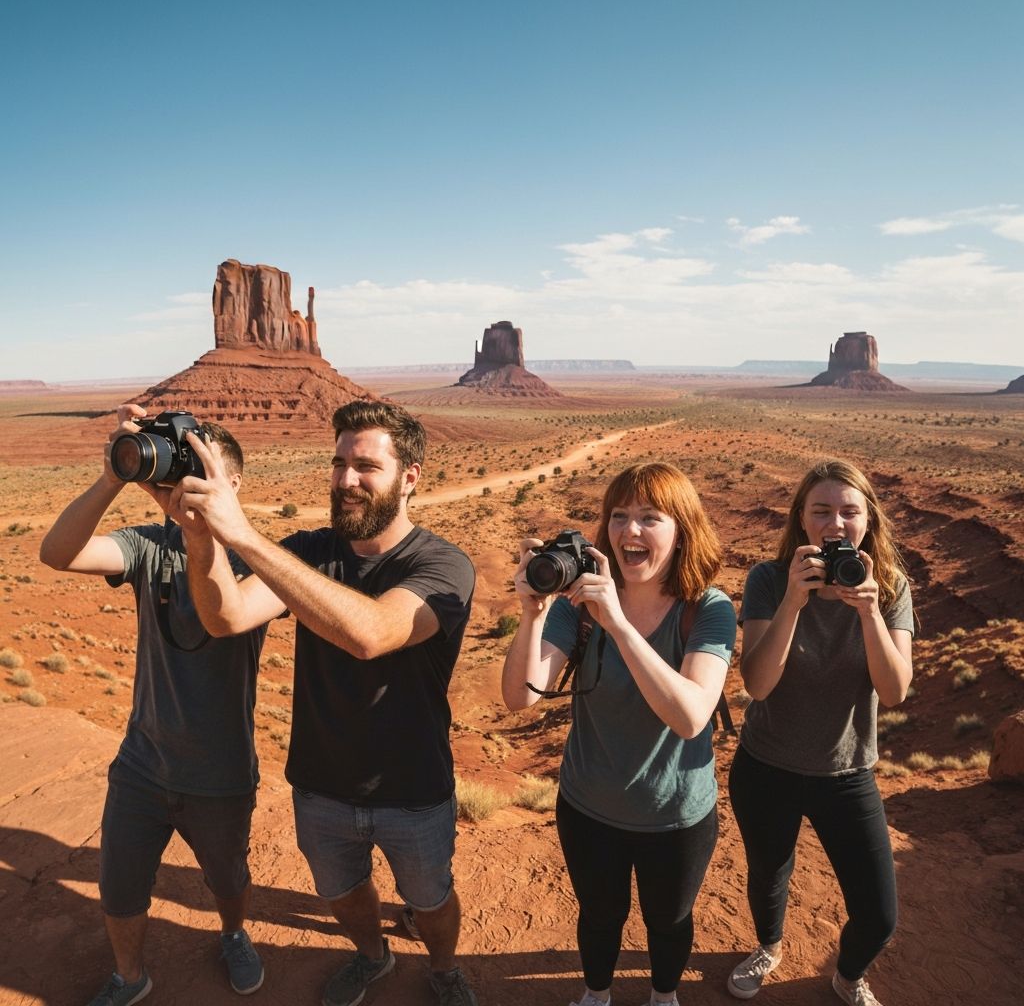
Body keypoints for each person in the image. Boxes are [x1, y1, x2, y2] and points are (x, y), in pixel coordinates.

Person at [174, 400, 479, 1006]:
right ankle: (373, 956)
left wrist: (243, 534)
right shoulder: (310, 549)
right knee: (343, 894)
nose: (345, 480)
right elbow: (226, 615)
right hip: (320, 784)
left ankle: (444, 970)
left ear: (409, 476)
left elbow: (371, 634)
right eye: (338, 463)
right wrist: (200, 534)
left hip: (413, 789)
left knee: (430, 898)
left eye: (365, 465)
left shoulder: (442, 565)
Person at [39, 405, 267, 1006]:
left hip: (219, 772)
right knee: (119, 886)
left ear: (231, 480)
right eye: (171, 472)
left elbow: (225, 617)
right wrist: (117, 473)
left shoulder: (258, 558)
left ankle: (235, 933)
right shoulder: (147, 546)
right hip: (143, 764)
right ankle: (129, 977)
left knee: (227, 879)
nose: (174, 486)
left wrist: (208, 530)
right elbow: (57, 554)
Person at [502, 462, 736, 1006]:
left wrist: (619, 624)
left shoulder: (708, 608)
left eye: (650, 518)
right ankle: (597, 995)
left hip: (675, 814)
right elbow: (521, 697)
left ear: (681, 530)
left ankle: (663, 996)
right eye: (619, 516)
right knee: (600, 916)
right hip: (588, 806)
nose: (630, 531)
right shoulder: (578, 607)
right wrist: (533, 614)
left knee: (668, 921)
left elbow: (690, 716)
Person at [727, 459, 914, 1006]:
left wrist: (869, 613)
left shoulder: (891, 586)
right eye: (822, 511)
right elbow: (758, 684)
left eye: (849, 511)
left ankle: (847, 974)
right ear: (802, 521)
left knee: (879, 914)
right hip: (767, 767)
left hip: (846, 773)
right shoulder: (769, 579)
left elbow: (896, 690)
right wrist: (792, 600)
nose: (836, 522)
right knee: (768, 875)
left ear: (868, 520)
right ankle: (768, 945)